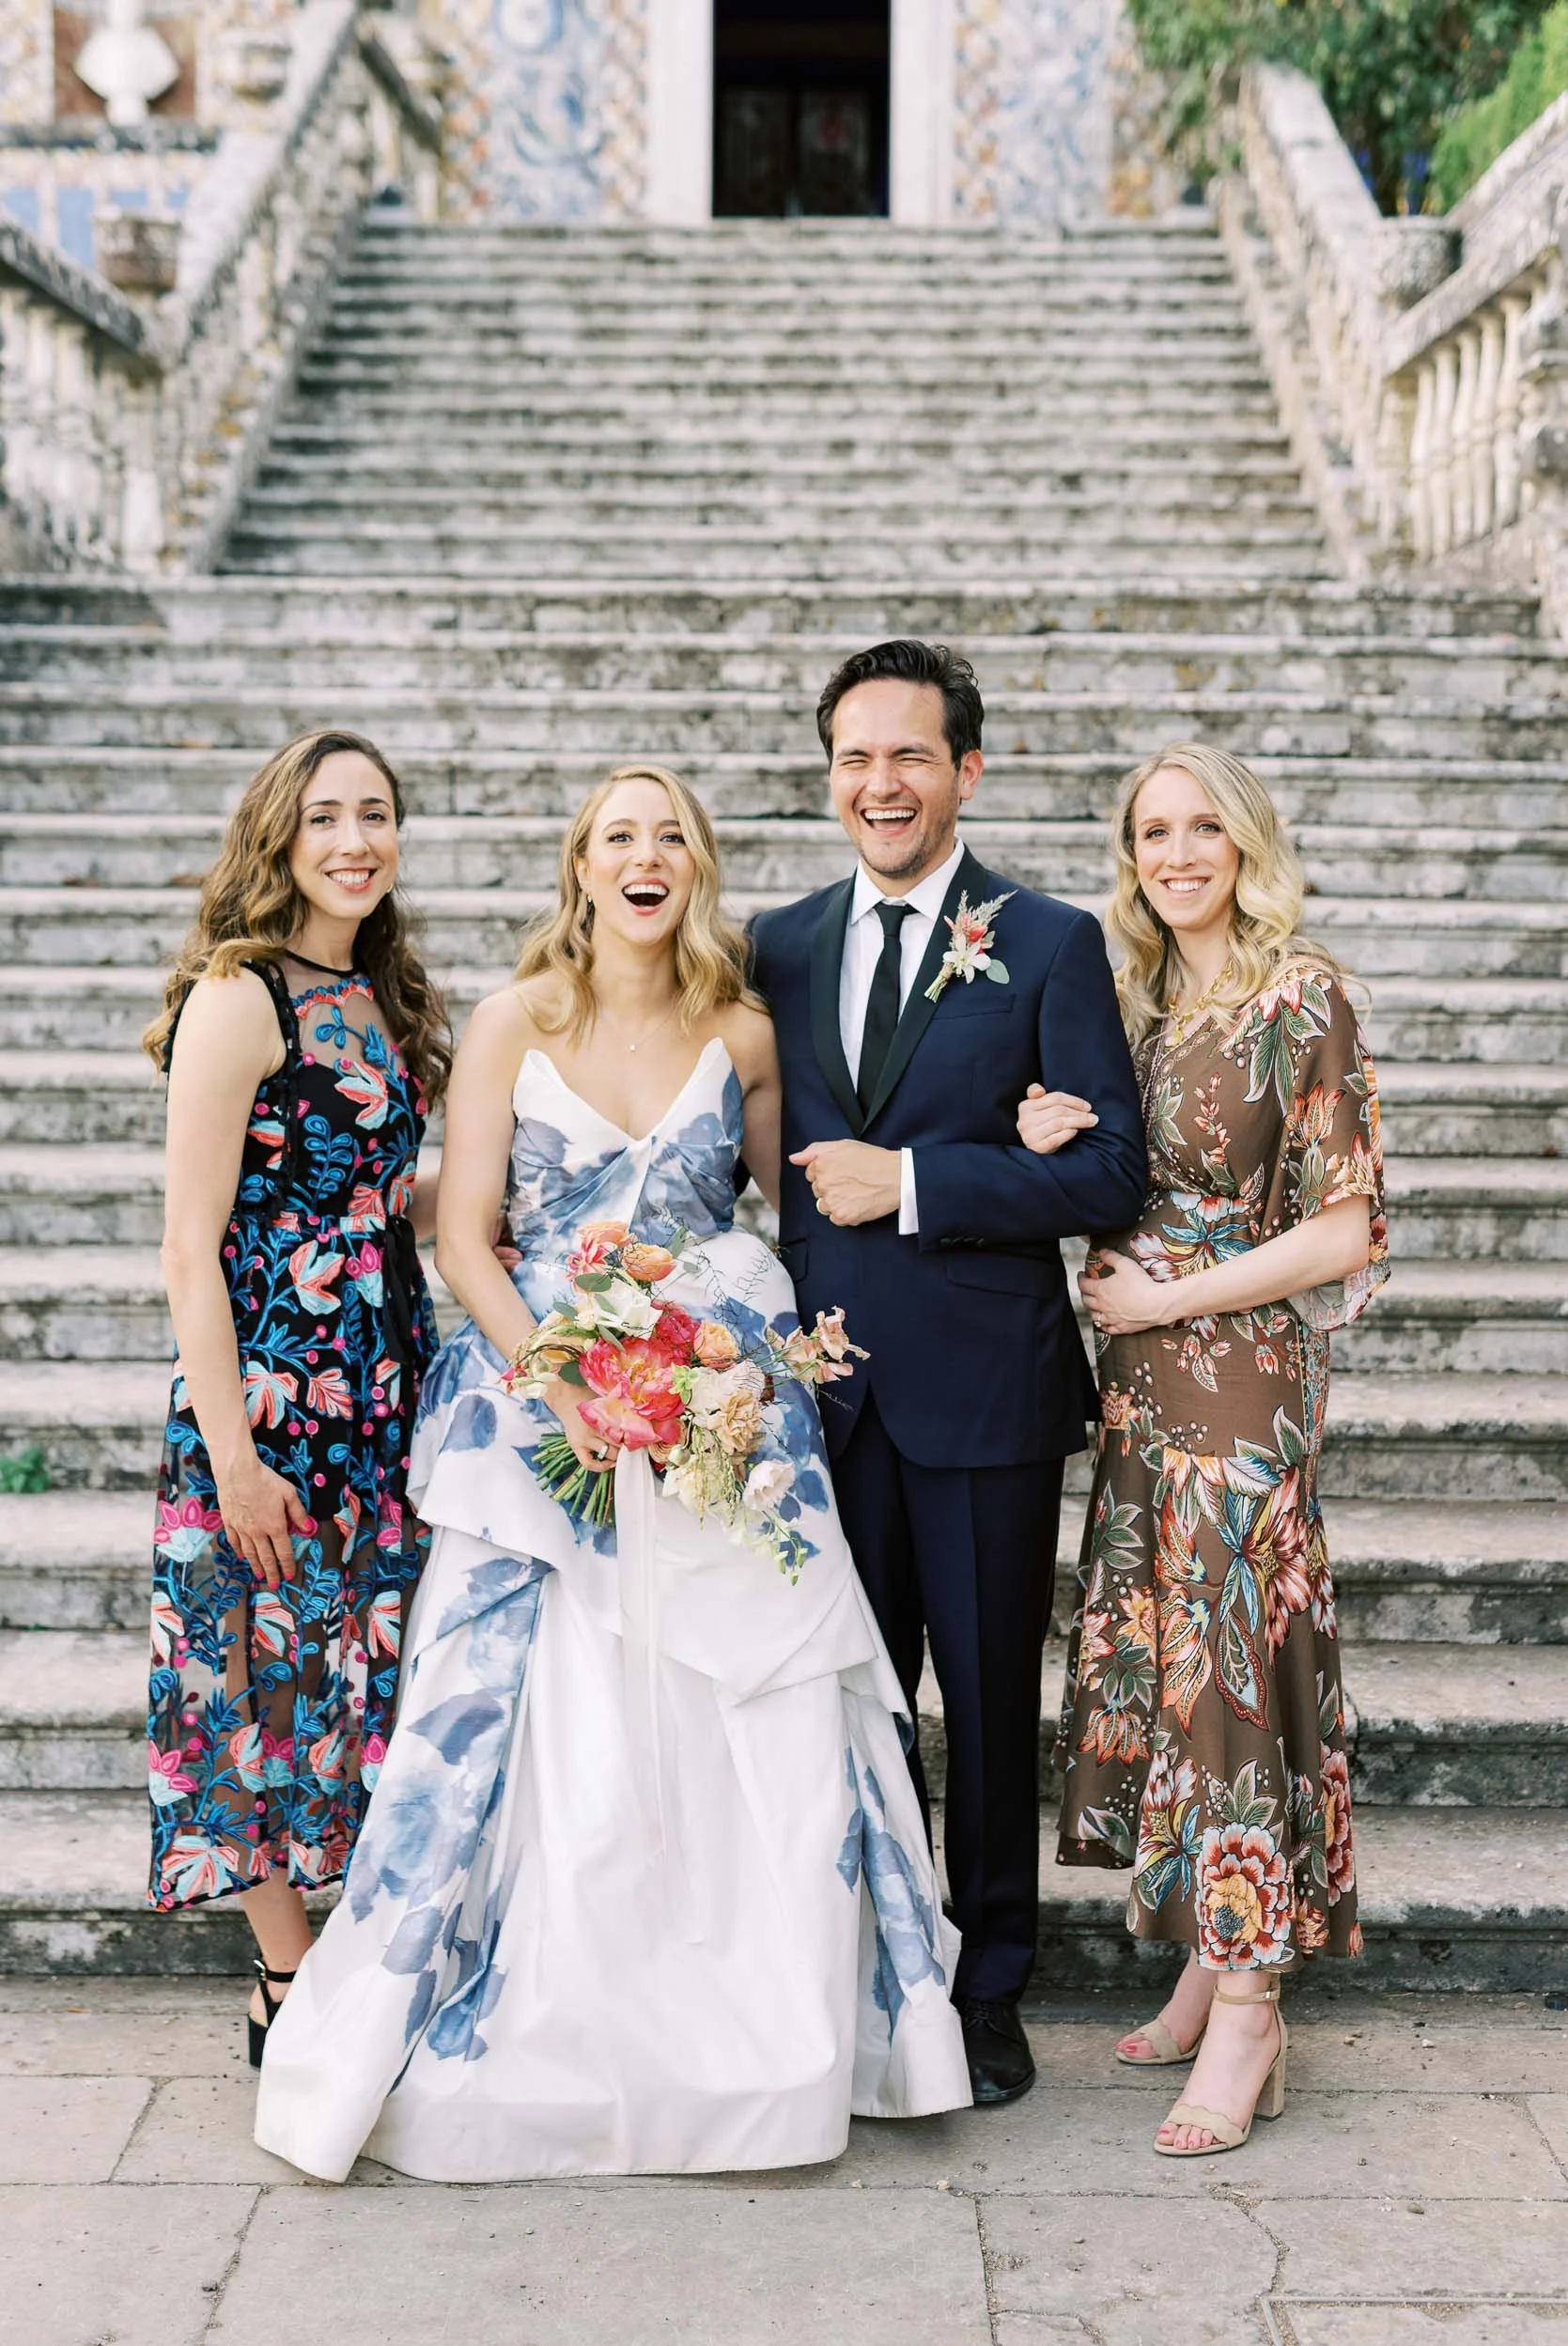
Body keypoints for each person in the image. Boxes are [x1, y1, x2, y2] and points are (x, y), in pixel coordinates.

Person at [254, 763, 971, 2183]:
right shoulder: (514, 1022)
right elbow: (463, 1238)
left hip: (719, 1404)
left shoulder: (748, 1031)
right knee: (534, 1720)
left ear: (697, 867)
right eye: (618, 837)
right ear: (580, 866)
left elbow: (801, 1205)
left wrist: (753, 1365)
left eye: (671, 837)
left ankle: (762, 2025)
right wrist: (564, 1379)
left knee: (754, 1706)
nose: (646, 857)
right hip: (541, 1399)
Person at [749, 642, 1148, 2105]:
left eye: (909, 755)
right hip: (820, 1397)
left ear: (966, 771)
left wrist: (917, 1181)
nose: (881, 784)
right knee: (843, 1698)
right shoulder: (779, 944)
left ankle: (986, 1989)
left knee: (983, 1705)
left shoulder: (1044, 942)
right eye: (856, 758)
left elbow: (1112, 1168)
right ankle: (863, 1960)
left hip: (985, 1395)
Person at [1037, 741, 1389, 2158]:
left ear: (1245, 839)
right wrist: (1057, 1132)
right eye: (1150, 832)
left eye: (1200, 828)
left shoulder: (1301, 992)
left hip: (1239, 1380)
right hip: (1140, 1387)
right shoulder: (1139, 999)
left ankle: (1251, 2005)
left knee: (1236, 1668)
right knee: (1172, 1657)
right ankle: (1203, 1951)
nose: (1175, 854)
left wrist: (1170, 1295)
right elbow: (1126, 1172)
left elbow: (1344, 1224)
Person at [143, 728, 450, 2064]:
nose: (353, 840)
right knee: (250, 1682)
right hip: (268, 1400)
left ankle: (349, 1962)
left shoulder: (382, 992)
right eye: (324, 817)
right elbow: (188, 1243)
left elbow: (382, 1197)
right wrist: (232, 1457)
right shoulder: (240, 997)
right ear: (278, 837)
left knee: (357, 1677)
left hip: (379, 1396)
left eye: (374, 814)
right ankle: (288, 1977)